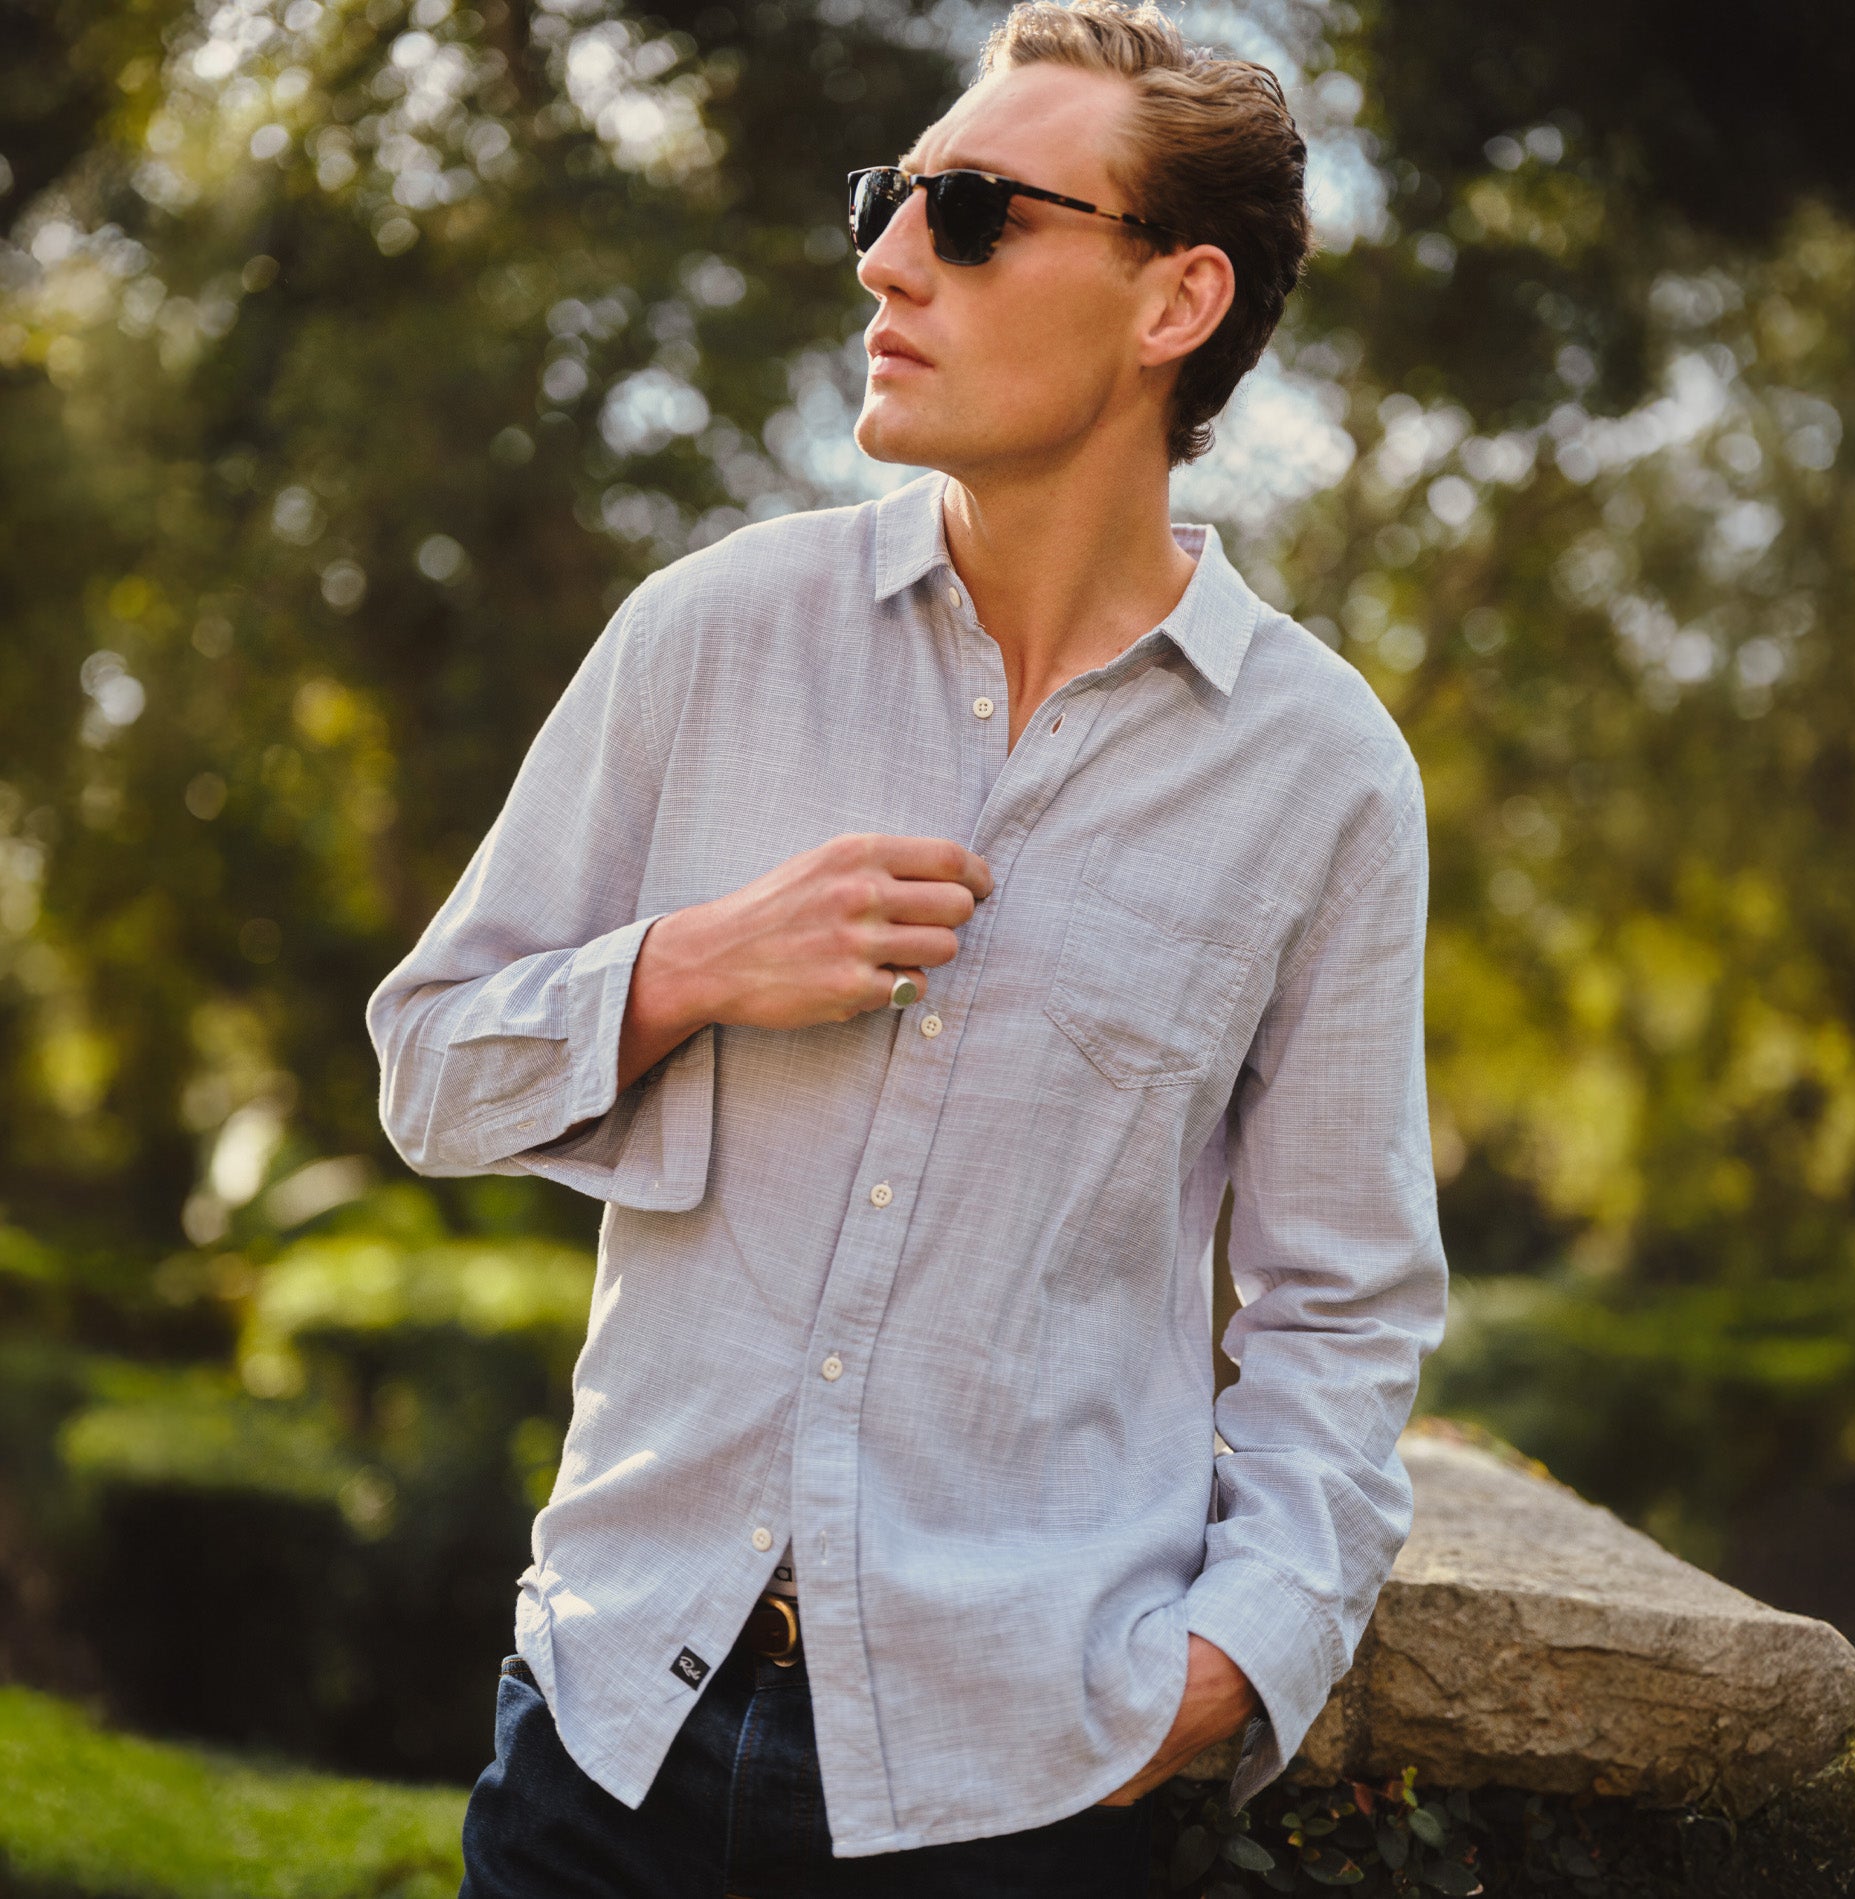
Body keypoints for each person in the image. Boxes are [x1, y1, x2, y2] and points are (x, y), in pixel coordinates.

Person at [368, 2, 1447, 1891]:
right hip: (606, 1740)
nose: (880, 252)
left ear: (1173, 301)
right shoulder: (711, 634)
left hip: (1009, 1795)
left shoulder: (1324, 776)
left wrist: (1231, 1663)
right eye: (889, 197)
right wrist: (693, 964)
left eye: (966, 210)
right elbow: (430, 1068)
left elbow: (1343, 1300)